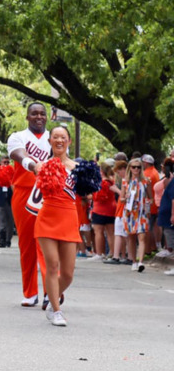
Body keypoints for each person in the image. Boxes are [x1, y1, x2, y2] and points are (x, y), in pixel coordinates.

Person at [34, 126, 79, 327]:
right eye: (55, 137)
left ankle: (53, 300)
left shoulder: (78, 168)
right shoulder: (42, 166)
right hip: (47, 218)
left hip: (69, 219)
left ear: (69, 141)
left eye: (63, 137)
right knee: (52, 265)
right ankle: (56, 310)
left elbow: (86, 194)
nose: (59, 140)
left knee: (68, 274)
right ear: (50, 141)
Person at [8, 102, 51, 306]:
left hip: (49, 194)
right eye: (34, 113)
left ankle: (49, 292)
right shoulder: (18, 137)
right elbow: (19, 154)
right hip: (24, 194)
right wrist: (33, 165)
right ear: (27, 117)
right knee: (26, 244)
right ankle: (30, 292)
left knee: (46, 243)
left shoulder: (54, 138)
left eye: (42, 114)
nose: (39, 117)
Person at [121, 157, 151, 272]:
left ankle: (140, 262)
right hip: (129, 213)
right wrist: (126, 197)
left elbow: (150, 197)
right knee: (131, 238)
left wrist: (148, 207)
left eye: (138, 167)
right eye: (134, 167)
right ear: (130, 168)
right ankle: (133, 261)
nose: (136, 169)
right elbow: (121, 199)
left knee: (142, 237)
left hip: (142, 213)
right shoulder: (125, 182)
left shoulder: (146, 181)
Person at [105, 161, 131, 264]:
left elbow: (126, 196)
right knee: (119, 234)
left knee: (123, 234)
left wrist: (116, 190)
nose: (119, 174)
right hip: (120, 210)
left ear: (124, 169)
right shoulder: (125, 180)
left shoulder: (128, 181)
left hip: (124, 210)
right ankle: (119, 256)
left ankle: (123, 256)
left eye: (119, 171)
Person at [89, 163, 117, 261]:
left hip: (99, 210)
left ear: (101, 171)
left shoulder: (100, 182)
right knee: (110, 233)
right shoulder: (111, 182)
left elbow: (94, 196)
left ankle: (100, 253)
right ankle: (113, 253)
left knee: (98, 232)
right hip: (111, 209)